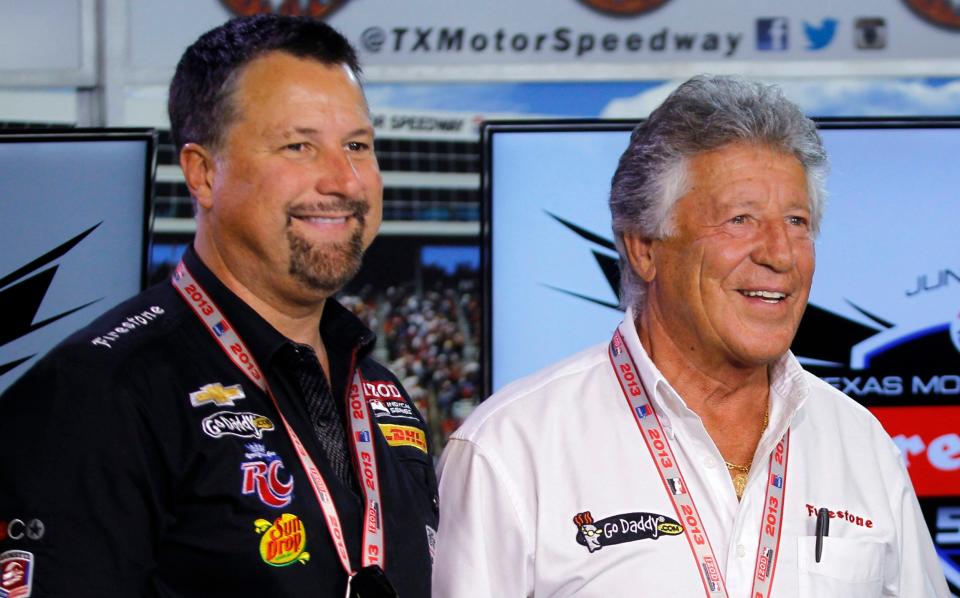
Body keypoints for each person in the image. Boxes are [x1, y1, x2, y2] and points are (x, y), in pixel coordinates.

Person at [432, 75, 949, 597]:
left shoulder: (863, 445)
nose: (781, 253)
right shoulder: (511, 450)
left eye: (797, 221)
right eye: (740, 219)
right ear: (645, 249)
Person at [0, 15, 437, 597]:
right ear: (203, 174)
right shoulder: (99, 393)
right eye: (299, 146)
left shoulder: (380, 392)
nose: (345, 179)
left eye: (358, 145)